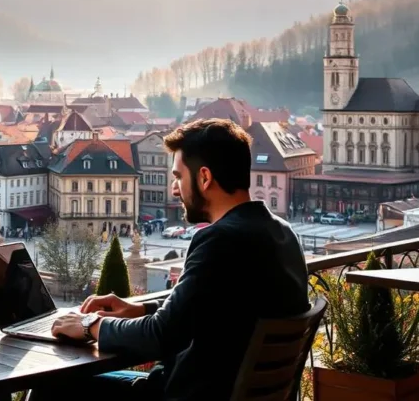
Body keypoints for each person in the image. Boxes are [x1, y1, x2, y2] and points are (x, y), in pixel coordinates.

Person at [46, 119, 310, 400]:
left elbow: (160, 336)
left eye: (178, 177)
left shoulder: (219, 241)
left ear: (204, 178)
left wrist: (90, 325)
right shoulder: (283, 235)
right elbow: (216, 307)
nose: (174, 189)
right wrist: (141, 309)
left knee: (54, 383)